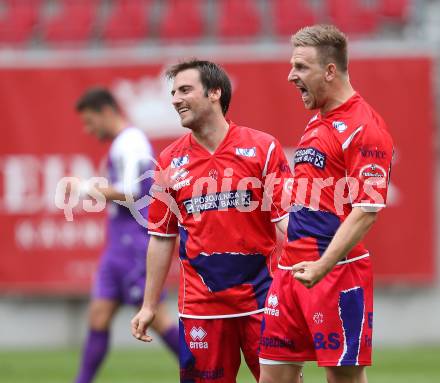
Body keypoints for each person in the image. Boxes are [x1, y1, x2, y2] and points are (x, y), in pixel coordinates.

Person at [130, 60, 293, 382]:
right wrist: (150, 305)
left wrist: (318, 259)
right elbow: (162, 237)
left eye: (185, 90)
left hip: (263, 299)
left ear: (215, 93)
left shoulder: (262, 147)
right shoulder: (168, 162)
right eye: (173, 92)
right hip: (201, 307)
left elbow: (286, 221)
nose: (175, 99)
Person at [258, 24, 394, 383]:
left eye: (301, 67)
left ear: (330, 70)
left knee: (343, 379)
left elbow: (367, 211)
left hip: (337, 273)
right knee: (272, 377)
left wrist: (322, 265)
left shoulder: (366, 128)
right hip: (291, 272)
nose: (291, 76)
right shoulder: (318, 120)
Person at [72, 88, 179, 383]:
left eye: (90, 121)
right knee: (98, 316)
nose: (88, 129)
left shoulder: (130, 142)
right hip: (118, 243)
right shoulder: (124, 143)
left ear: (107, 111)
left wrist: (84, 188)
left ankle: (202, 371)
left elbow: (131, 191)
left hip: (134, 240)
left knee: (155, 316)